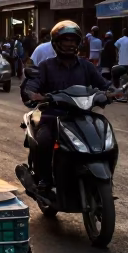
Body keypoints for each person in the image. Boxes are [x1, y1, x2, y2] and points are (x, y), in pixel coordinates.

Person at [26, 20, 110, 189]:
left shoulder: (86, 66)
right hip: (53, 116)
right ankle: (45, 178)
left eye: (73, 40)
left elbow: (103, 84)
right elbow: (32, 85)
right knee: (44, 140)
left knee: (105, 137)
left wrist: (113, 91)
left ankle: (106, 175)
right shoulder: (46, 66)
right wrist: (34, 94)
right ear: (56, 43)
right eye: (66, 40)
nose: (70, 44)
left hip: (83, 115)